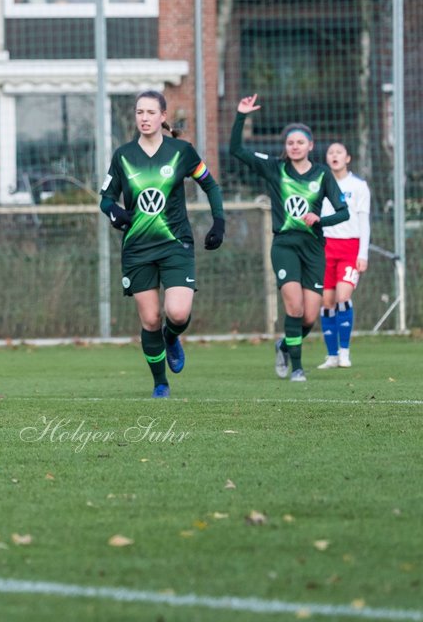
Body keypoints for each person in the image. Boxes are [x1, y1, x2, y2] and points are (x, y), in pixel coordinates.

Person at [99, 90, 226, 399]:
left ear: (163, 117)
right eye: (140, 112)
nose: (144, 118)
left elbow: (209, 183)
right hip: (138, 248)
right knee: (151, 319)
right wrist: (114, 211)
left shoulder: (181, 151)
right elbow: (105, 198)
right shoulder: (124, 155)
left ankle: (172, 338)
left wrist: (219, 221)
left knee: (178, 314)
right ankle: (160, 383)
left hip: (175, 244)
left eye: (150, 112)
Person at [230, 94, 348, 381]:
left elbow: (343, 212)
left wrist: (321, 220)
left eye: (300, 142)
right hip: (284, 245)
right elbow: (235, 149)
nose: (294, 146)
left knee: (309, 316)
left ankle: (284, 345)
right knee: (293, 306)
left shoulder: (322, 174)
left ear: (310, 145)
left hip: (313, 247)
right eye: (290, 142)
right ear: (286, 147)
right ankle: (296, 368)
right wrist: (241, 115)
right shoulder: (275, 169)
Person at [317, 142, 371, 369]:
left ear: (347, 158)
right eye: (330, 152)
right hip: (325, 248)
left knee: (342, 297)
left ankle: (345, 352)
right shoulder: (320, 183)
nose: (334, 155)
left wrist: (363, 253)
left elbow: (363, 221)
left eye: (339, 152)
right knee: (326, 302)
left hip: (350, 249)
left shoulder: (358, 186)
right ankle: (331, 355)